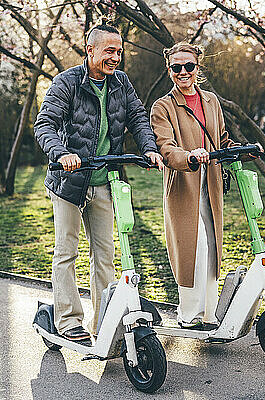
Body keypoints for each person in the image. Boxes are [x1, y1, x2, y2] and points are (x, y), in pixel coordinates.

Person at [34, 24, 164, 343]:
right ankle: (67, 320)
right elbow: (44, 125)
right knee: (66, 252)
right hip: (68, 183)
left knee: (104, 255)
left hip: (105, 180)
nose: (115, 57)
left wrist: (148, 147)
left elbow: (137, 118)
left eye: (119, 51)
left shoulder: (120, 83)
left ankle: (103, 320)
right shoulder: (67, 83)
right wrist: (61, 152)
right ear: (90, 51)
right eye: (109, 51)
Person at [150, 42, 245, 330]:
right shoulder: (163, 106)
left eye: (188, 66)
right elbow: (166, 148)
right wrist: (189, 156)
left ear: (197, 68)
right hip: (185, 184)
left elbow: (221, 139)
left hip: (211, 183)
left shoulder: (211, 101)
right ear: (169, 70)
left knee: (212, 247)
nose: (183, 72)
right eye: (176, 67)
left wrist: (240, 150)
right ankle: (188, 314)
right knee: (193, 247)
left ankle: (208, 315)